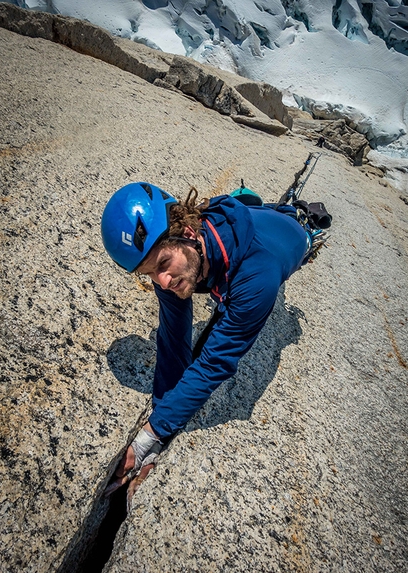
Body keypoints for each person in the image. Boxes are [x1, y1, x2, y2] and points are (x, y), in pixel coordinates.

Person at [101, 181, 312, 501]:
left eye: (161, 265)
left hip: (285, 239)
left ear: (186, 232)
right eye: (149, 274)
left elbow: (215, 362)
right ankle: (257, 204)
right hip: (243, 225)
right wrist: (160, 425)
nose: (162, 281)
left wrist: (150, 435)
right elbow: (173, 338)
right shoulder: (175, 254)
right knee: (246, 210)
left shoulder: (259, 278)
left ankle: (288, 214)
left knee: (279, 230)